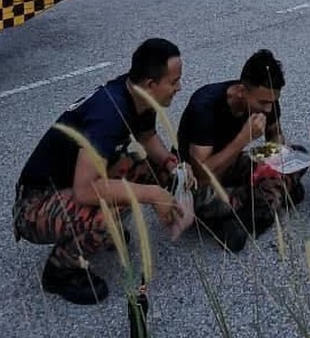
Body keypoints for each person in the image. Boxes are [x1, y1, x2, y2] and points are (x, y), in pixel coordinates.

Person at [13, 38, 193, 304]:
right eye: (174, 81)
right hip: (35, 204)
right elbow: (85, 190)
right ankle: (60, 272)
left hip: (72, 182)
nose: (179, 87)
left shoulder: (137, 94)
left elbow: (147, 135)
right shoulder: (110, 113)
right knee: (107, 215)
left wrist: (170, 163)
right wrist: (152, 194)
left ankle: (99, 232)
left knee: (151, 170)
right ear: (151, 84)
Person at [177, 49, 304, 252]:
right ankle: (268, 201)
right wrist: (243, 139)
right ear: (241, 92)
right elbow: (203, 174)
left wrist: (276, 154)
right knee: (200, 203)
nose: (268, 109)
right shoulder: (205, 106)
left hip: (235, 164)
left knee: (297, 152)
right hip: (201, 179)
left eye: (272, 102)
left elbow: (275, 134)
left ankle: (246, 216)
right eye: (263, 102)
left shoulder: (267, 101)